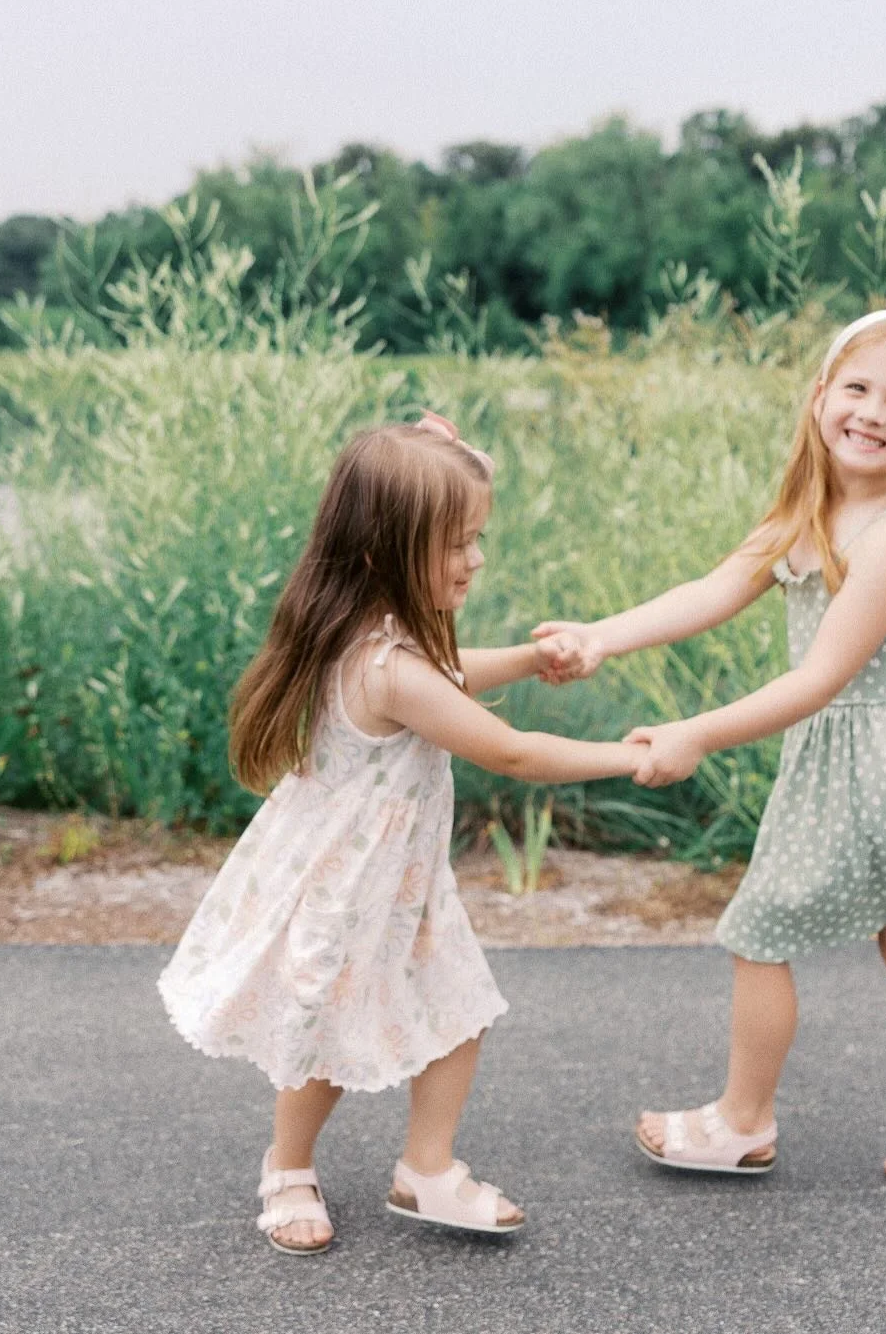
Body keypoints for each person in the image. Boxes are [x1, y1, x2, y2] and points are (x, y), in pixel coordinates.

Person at [535, 306, 886, 1189]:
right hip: (879, 765)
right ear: (819, 397)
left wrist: (694, 731)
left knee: (761, 933)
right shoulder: (819, 508)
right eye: (855, 388)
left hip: (877, 770)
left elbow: (818, 681)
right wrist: (601, 635)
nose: (869, 411)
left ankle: (742, 1122)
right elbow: (714, 587)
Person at [159, 414, 646, 1253]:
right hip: (348, 886)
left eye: (477, 537)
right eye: (457, 542)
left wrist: (531, 659)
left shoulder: (382, 637)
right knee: (319, 1032)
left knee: (457, 1010)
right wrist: (632, 753)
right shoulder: (385, 665)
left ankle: (427, 1168)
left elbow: (452, 676)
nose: (476, 559)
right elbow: (511, 750)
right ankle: (287, 1166)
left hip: (400, 884)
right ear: (386, 548)